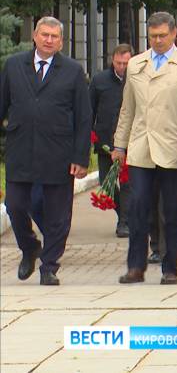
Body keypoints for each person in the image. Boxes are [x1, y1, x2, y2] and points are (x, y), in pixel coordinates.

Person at [1, 16, 92, 286]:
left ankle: (49, 266)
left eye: (54, 36)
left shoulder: (73, 71)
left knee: (57, 214)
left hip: (59, 153)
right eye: (44, 35)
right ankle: (29, 247)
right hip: (21, 149)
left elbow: (84, 117)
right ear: (35, 36)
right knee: (15, 205)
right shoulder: (14, 65)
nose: (49, 40)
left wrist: (80, 156)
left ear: (61, 41)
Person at [113, 12, 177, 285]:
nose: (158, 41)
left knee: (171, 210)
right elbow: (128, 109)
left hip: (173, 147)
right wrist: (119, 145)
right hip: (141, 147)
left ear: (174, 34)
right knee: (138, 207)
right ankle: (135, 266)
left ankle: (170, 266)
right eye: (153, 36)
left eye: (163, 35)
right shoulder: (137, 63)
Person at [89, 43, 133, 237]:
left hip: (130, 142)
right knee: (105, 181)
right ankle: (123, 214)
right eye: (118, 63)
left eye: (126, 63)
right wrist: (90, 134)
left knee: (127, 183)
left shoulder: (136, 79)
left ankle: (124, 222)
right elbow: (90, 110)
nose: (122, 67)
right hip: (105, 141)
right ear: (112, 60)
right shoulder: (99, 80)